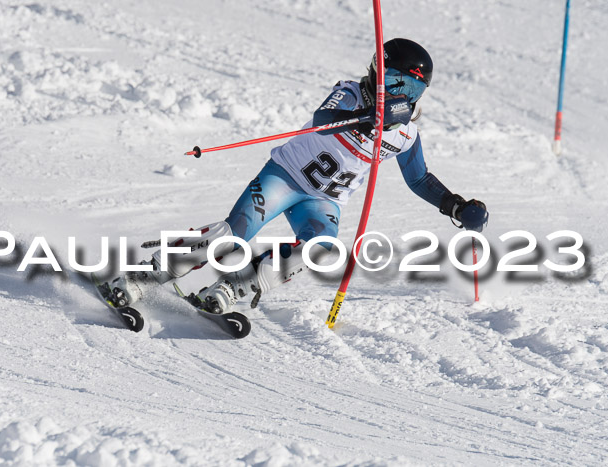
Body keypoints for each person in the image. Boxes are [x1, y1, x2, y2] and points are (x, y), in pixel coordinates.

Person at [102, 38, 488, 314]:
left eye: (402, 82)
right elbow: (322, 122)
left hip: (325, 201)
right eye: (386, 74)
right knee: (232, 236)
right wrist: (370, 119)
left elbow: (419, 179)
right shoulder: (350, 95)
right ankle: (142, 276)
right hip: (283, 178)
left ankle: (234, 287)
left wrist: (455, 205)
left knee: (320, 249)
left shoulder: (406, 134)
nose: (388, 85)